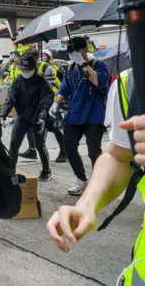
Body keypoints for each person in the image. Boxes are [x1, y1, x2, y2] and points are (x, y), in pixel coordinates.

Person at [46, 67, 145, 284]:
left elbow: (96, 82)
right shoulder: (130, 83)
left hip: (93, 117)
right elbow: (119, 157)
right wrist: (87, 204)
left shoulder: (99, 67)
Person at [49, 36, 110, 196]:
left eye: (74, 52)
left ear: (83, 49)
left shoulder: (99, 64)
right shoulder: (71, 67)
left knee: (93, 151)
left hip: (95, 114)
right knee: (69, 147)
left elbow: (99, 82)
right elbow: (64, 88)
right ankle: (81, 178)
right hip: (75, 113)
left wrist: (84, 64)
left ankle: (99, 183)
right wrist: (57, 103)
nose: (71, 56)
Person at [0, 54, 54, 181]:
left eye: (28, 70)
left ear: (35, 69)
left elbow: (46, 100)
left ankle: (46, 170)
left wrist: (42, 117)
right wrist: (3, 115)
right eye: (23, 70)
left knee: (40, 145)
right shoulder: (17, 80)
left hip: (38, 118)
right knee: (14, 144)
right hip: (22, 117)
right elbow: (10, 98)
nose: (25, 73)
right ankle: (11, 172)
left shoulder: (42, 82)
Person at [38, 49, 67, 163]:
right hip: (43, 101)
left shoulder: (51, 67)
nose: (43, 57)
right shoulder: (39, 67)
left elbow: (54, 83)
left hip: (53, 100)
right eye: (43, 55)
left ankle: (64, 151)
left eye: (46, 55)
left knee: (55, 127)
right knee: (43, 126)